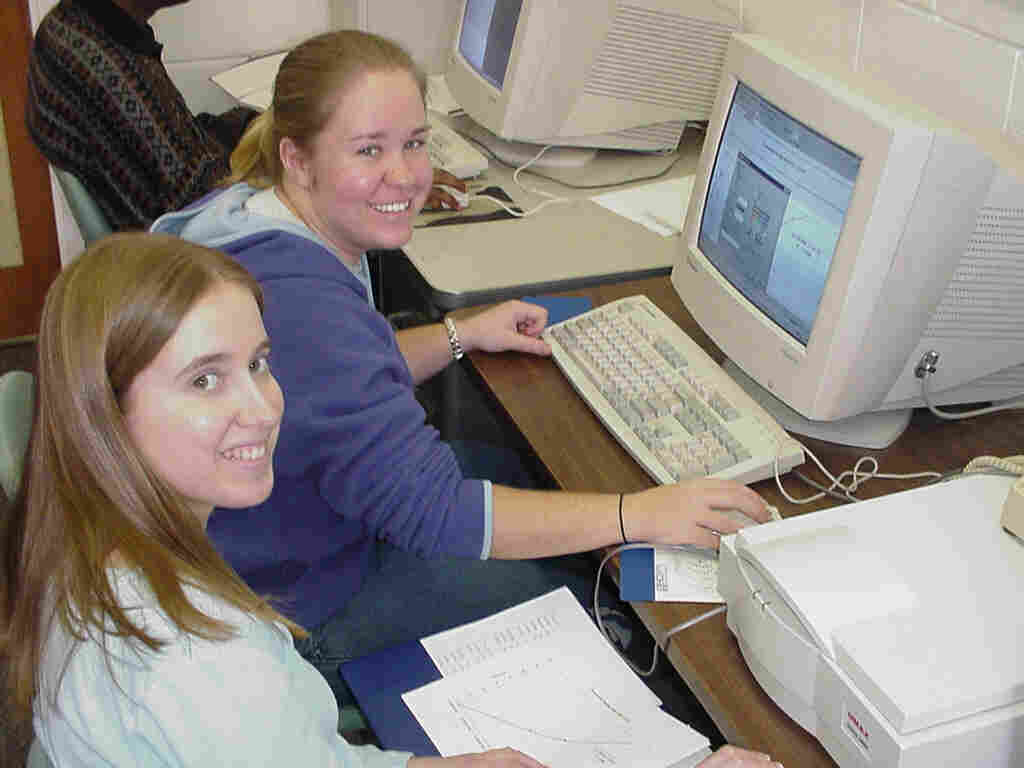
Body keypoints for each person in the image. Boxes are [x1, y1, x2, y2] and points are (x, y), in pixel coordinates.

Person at [151, 29, 771, 711]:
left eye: (414, 143)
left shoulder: (247, 217)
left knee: (510, 473)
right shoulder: (303, 307)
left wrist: (458, 334)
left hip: (263, 547)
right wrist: (639, 513)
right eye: (369, 150)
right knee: (584, 595)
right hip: (298, 610)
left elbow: (332, 385)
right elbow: (435, 511)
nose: (405, 175)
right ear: (296, 158)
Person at [0, 232, 781, 768]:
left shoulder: (101, 552)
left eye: (260, 363)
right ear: (105, 413)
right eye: (205, 380)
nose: (263, 407)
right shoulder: (198, 661)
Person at [25, 0, 465, 232]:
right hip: (194, 257)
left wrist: (272, 123)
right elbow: (203, 196)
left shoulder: (81, 24)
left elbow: (177, 140)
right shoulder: (102, 64)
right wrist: (382, 185)